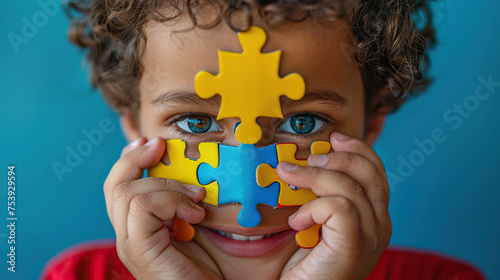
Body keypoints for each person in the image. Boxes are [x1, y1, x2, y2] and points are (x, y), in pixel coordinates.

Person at [42, 0, 485, 279]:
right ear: (135, 127)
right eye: (196, 124)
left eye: (303, 123)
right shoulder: (76, 275)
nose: (246, 188)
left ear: (372, 122)